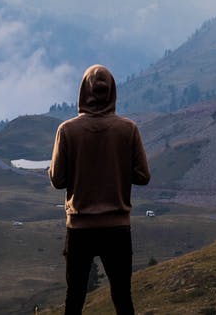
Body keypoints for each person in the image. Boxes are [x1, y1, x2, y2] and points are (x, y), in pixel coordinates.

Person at [49, 64, 151, 314]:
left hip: (80, 229)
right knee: (122, 297)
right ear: (112, 92)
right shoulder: (128, 129)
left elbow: (58, 180)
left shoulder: (67, 130)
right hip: (117, 228)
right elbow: (143, 176)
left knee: (74, 298)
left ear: (84, 91)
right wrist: (116, 167)